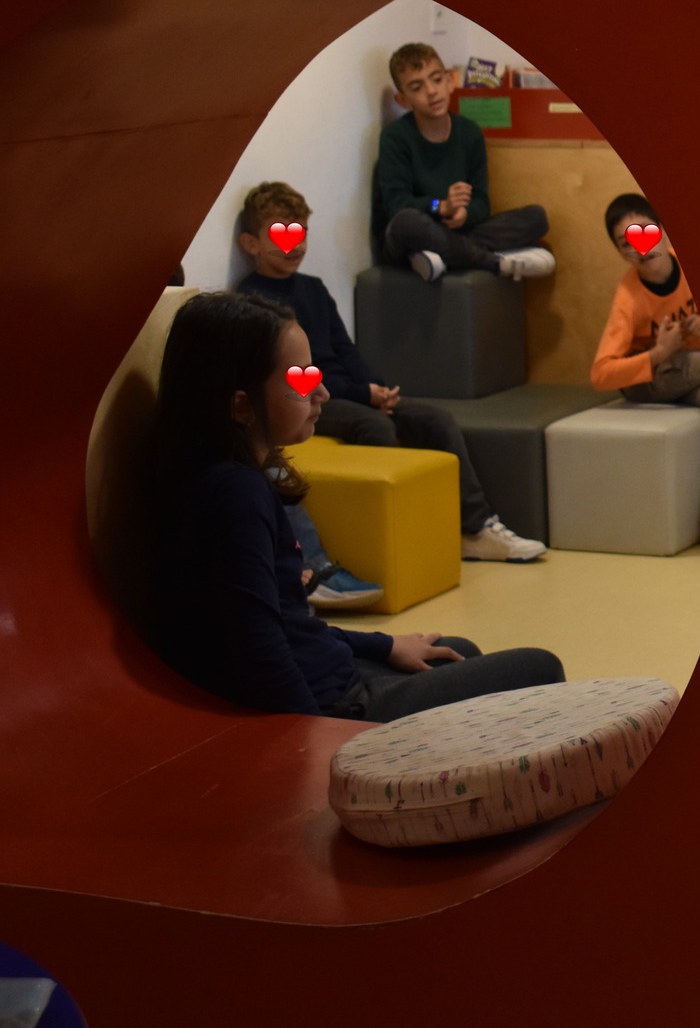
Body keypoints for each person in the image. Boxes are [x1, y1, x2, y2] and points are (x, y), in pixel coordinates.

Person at [147, 290, 564, 720]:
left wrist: (384, 644)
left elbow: (293, 626)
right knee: (540, 668)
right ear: (241, 405)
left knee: (457, 651)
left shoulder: (221, 475)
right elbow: (261, 652)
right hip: (334, 707)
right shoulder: (237, 493)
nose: (323, 393)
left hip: (327, 672)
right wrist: (315, 744)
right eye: (300, 381)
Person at [235, 181, 547, 562]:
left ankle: (476, 527)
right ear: (250, 243)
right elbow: (288, 374)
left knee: (436, 420)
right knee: (375, 426)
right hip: (307, 399)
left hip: (350, 390)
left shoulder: (313, 288)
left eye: (301, 233)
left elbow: (344, 348)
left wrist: (374, 387)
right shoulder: (252, 300)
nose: (294, 245)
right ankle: (402, 536)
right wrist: (362, 395)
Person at [591, 193, 700, 552]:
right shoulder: (629, 297)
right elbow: (601, 375)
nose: (640, 248)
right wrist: (657, 354)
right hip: (648, 382)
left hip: (693, 373)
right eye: (626, 243)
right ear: (620, 252)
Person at [373, 42, 555, 284]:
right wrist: (440, 206)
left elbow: (481, 201)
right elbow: (397, 205)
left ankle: (438, 256)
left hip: (456, 231)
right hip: (413, 233)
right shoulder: (395, 137)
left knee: (535, 218)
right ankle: (495, 263)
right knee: (407, 223)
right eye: (417, 87)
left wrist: (464, 213)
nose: (431, 91)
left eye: (437, 79)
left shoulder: (469, 133)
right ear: (403, 100)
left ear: (449, 81)